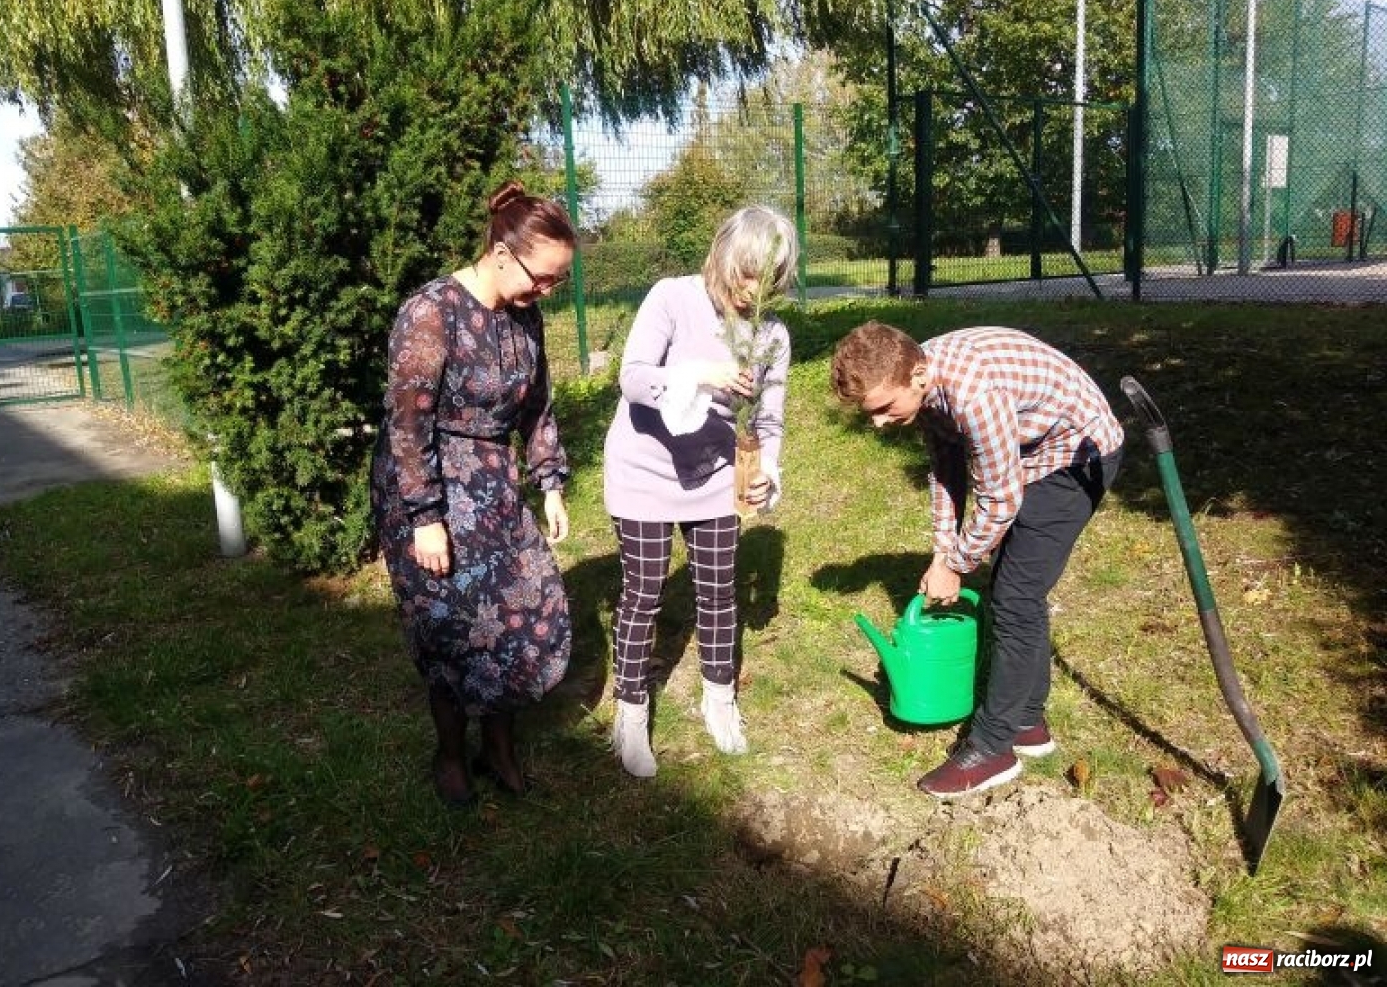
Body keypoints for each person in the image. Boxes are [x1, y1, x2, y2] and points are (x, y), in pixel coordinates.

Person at [830, 321, 1124, 800]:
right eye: (870, 413)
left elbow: (1000, 499)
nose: (879, 423)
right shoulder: (924, 383)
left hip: (1076, 455)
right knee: (1015, 594)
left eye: (884, 408)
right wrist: (943, 551)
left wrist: (957, 564)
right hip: (1031, 452)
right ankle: (1028, 723)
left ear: (919, 375)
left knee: (1014, 596)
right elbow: (947, 470)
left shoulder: (973, 393)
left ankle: (992, 749)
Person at [370, 179, 576, 808]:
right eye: (541, 278)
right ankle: (452, 754)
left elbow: (536, 405)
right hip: (424, 484)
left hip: (491, 480)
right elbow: (407, 423)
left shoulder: (525, 316)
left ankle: (501, 745)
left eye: (556, 283)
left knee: (520, 611)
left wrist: (549, 483)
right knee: (450, 627)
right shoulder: (430, 311)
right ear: (502, 253)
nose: (545, 292)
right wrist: (424, 517)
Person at [602, 205, 798, 778]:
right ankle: (631, 713)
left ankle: (720, 702)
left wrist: (769, 472)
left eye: (769, 280)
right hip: (645, 469)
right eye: (746, 274)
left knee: (718, 592)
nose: (753, 290)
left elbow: (769, 422)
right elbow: (634, 378)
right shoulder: (671, 297)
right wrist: (702, 374)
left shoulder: (772, 336)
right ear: (723, 257)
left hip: (713, 476)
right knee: (644, 592)